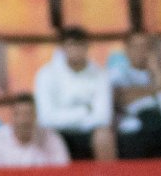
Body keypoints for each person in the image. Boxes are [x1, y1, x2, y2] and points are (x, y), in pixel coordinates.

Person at [33, 27, 117, 161]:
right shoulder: (46, 74)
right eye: (71, 45)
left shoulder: (101, 75)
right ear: (62, 48)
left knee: (104, 135)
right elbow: (46, 118)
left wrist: (64, 116)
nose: (75, 50)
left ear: (87, 47)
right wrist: (85, 110)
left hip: (89, 133)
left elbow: (103, 117)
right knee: (42, 134)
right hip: (56, 133)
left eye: (80, 45)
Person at [0, 94, 70, 168]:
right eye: (19, 114)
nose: (23, 120)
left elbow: (62, 173)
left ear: (36, 116)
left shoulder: (52, 139)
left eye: (28, 114)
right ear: (11, 116)